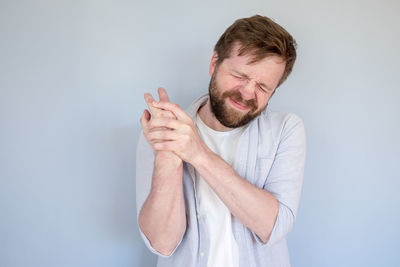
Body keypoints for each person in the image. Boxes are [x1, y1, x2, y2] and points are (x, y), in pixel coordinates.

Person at [136, 14, 306, 267]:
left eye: (263, 87)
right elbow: (162, 243)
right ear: (214, 62)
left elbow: (274, 227)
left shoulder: (286, 129)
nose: (248, 92)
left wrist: (198, 154)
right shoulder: (164, 130)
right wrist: (167, 160)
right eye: (240, 75)